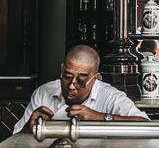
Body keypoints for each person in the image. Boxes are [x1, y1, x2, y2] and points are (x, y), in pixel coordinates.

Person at [14, 44, 149, 134]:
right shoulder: (44, 92)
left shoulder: (110, 97)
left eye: (81, 81)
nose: (72, 86)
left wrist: (100, 117)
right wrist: (28, 128)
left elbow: (146, 126)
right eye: (66, 77)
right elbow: (16, 138)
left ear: (96, 78)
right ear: (61, 69)